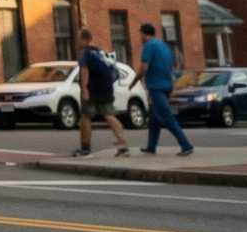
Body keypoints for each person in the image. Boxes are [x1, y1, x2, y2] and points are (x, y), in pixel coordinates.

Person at [137, 22, 193, 157]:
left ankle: (186, 145)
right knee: (154, 119)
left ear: (144, 34)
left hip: (156, 87)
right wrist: (172, 86)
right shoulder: (164, 46)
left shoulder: (148, 46)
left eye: (140, 34)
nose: (140, 37)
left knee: (167, 118)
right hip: (167, 86)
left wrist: (134, 81)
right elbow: (171, 67)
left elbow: (144, 68)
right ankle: (151, 147)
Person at [72, 29, 129, 158]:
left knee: (86, 117)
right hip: (106, 88)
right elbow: (112, 70)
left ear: (84, 40)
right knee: (109, 115)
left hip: (92, 90)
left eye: (78, 39)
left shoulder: (85, 54)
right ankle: (123, 146)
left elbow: (84, 70)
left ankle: (85, 148)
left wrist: (85, 89)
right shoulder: (100, 52)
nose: (77, 41)